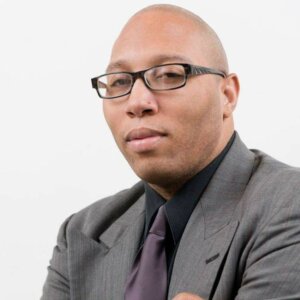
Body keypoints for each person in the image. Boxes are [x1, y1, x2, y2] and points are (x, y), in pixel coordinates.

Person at [41, 4, 300, 300]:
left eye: (169, 75)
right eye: (120, 82)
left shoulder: (290, 206)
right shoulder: (81, 235)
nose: (137, 102)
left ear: (227, 95)